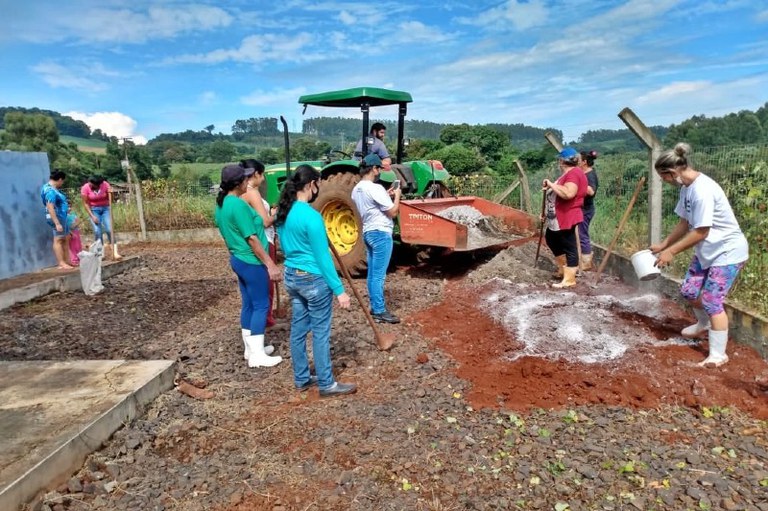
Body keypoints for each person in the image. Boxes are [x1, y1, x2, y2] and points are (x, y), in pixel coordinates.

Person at [650, 143, 748, 367]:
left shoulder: (702, 190)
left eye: (663, 177)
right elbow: (685, 222)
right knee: (689, 290)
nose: (664, 181)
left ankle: (718, 354)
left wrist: (671, 252)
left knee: (713, 300)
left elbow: (702, 230)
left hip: (727, 251)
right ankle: (703, 323)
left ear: (672, 172)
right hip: (708, 250)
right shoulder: (686, 188)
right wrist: (664, 244)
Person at [274, 165, 356, 397]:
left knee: (298, 330)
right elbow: (323, 257)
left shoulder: (283, 212)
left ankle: (302, 378)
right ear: (311, 184)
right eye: (317, 184)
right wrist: (339, 290)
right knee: (320, 332)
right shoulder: (311, 216)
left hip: (292, 276)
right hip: (312, 280)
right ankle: (327, 384)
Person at [214, 164, 283, 368]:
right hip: (251, 261)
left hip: (238, 258)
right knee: (261, 304)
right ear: (238, 183)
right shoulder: (238, 205)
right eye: (245, 179)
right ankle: (258, 355)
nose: (248, 181)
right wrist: (270, 263)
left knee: (249, 304)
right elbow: (252, 238)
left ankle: (251, 348)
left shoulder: (222, 204)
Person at [351, 153, 402, 323]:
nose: (379, 171)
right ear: (373, 169)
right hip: (381, 234)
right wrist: (397, 197)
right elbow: (392, 212)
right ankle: (379, 310)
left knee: (372, 274)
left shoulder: (356, 189)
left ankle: (375, 307)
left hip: (368, 233)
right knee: (379, 276)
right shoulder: (375, 188)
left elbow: (372, 205)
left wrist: (386, 194)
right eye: (378, 168)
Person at [240, 159, 278, 328]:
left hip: (250, 242)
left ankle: (257, 326)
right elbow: (265, 222)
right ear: (256, 174)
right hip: (264, 239)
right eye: (262, 175)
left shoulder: (239, 193)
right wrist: (277, 214)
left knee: (250, 293)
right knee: (266, 284)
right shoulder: (252, 192)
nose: (263, 179)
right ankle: (267, 320)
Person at [543, 147, 588, 288]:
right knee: (551, 238)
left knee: (569, 245)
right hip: (557, 215)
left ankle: (569, 279)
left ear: (562, 161)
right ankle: (563, 269)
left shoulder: (573, 174)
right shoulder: (568, 174)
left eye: (559, 160)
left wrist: (551, 184)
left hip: (567, 215)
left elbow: (569, 193)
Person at [81, 175, 120, 260]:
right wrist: (92, 216)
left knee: (109, 229)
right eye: (89, 183)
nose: (90, 185)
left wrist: (111, 193)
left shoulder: (105, 185)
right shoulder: (85, 188)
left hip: (105, 209)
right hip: (94, 210)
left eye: (92, 184)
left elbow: (111, 199)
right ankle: (100, 253)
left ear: (98, 184)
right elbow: (85, 203)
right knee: (97, 231)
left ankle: (115, 252)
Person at [41, 170, 73, 270]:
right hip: (57, 217)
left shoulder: (53, 189)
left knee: (65, 237)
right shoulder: (50, 190)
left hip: (62, 216)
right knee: (58, 239)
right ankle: (61, 262)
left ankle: (67, 260)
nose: (62, 183)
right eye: (62, 181)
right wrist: (57, 223)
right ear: (59, 179)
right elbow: (50, 206)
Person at [578, 150, 599, 270]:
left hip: (586, 209)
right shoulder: (584, 173)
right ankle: (580, 259)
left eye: (579, 160)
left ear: (584, 162)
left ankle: (586, 263)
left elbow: (591, 191)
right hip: (581, 208)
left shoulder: (590, 175)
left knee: (582, 234)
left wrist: (579, 182)